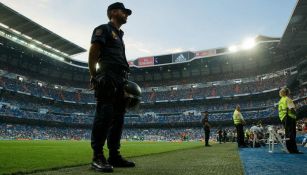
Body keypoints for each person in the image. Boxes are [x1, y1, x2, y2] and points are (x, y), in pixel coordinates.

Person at [88, 2, 135, 172]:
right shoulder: (104, 29)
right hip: (107, 77)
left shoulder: (120, 35)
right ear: (113, 12)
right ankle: (97, 157)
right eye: (124, 12)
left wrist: (124, 86)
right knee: (105, 115)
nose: (126, 15)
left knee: (118, 119)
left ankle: (114, 155)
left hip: (120, 80)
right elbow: (93, 52)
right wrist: (94, 76)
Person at [278, 88, 303, 154]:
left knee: (287, 134)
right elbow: (291, 109)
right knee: (292, 134)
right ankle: (294, 150)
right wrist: (296, 113)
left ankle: (289, 149)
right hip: (289, 117)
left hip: (283, 118)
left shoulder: (281, 100)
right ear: (287, 92)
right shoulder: (287, 99)